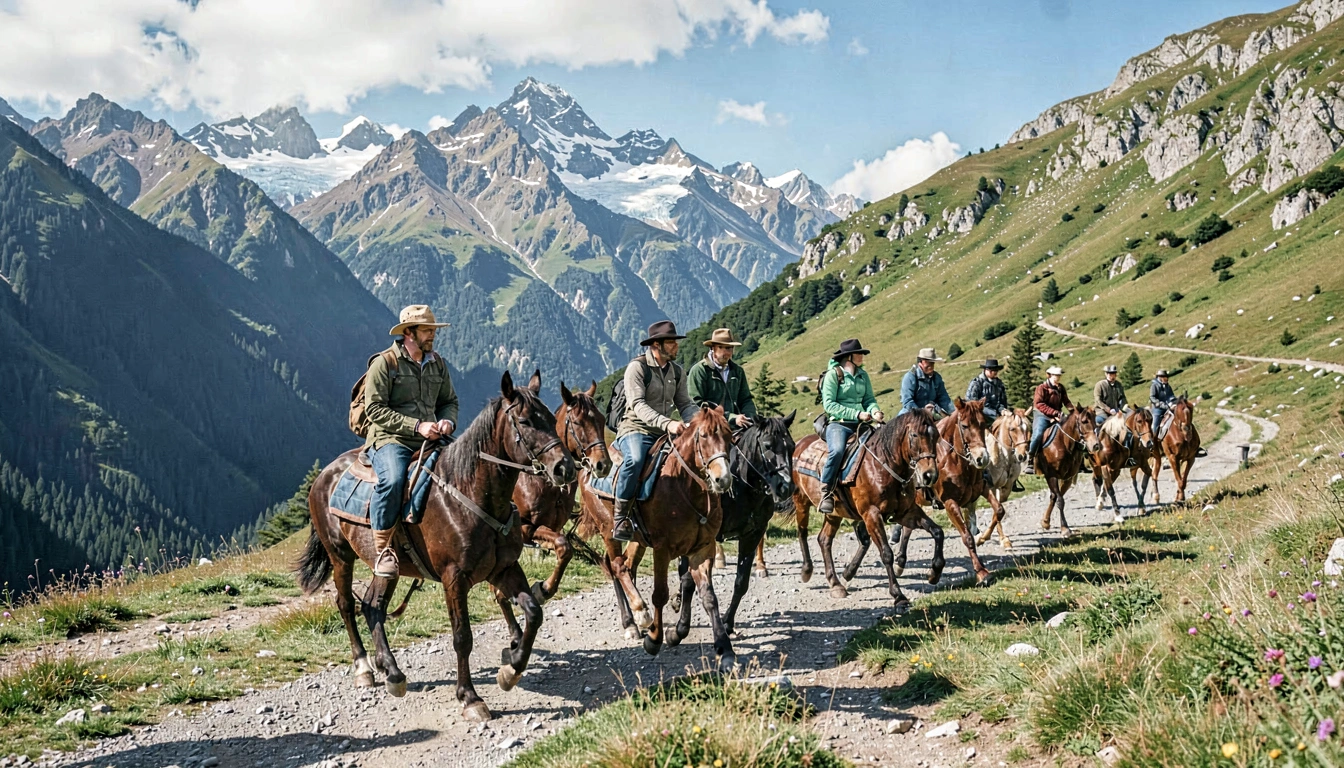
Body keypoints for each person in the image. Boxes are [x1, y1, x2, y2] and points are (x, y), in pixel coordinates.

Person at [365, 305, 458, 578]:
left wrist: (447, 422)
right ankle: (383, 551)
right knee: (393, 480)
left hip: (429, 438)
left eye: (433, 330)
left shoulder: (437, 363)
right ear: (409, 333)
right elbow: (375, 410)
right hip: (390, 439)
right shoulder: (385, 363)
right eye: (427, 330)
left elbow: (448, 402)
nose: (432, 335)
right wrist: (417, 426)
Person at [611, 321, 699, 542]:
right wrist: (668, 424)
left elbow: (685, 404)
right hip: (635, 429)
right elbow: (637, 404)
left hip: (663, 431)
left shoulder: (677, 371)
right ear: (656, 345)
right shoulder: (637, 368)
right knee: (635, 459)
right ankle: (620, 517)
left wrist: (699, 421)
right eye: (671, 342)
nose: (676, 346)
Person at [819, 339, 884, 513]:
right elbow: (829, 405)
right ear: (849, 356)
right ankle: (826, 491)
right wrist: (856, 414)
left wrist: (875, 411)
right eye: (859, 353)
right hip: (838, 424)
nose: (862, 356)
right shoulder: (833, 375)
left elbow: (869, 399)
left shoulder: (863, 375)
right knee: (838, 450)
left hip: (861, 423)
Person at [688, 328, 757, 430]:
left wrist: (749, 417)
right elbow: (697, 404)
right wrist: (732, 418)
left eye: (729, 348)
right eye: (723, 348)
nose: (727, 352)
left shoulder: (737, 371)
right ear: (713, 348)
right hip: (708, 428)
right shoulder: (699, 370)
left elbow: (745, 399)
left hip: (737, 427)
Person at [1024, 365, 1071, 474]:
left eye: (1059, 375)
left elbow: (1066, 401)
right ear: (1049, 375)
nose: (1057, 378)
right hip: (1042, 415)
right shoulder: (1041, 388)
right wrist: (1054, 413)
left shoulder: (1060, 388)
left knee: (1071, 431)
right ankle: (1030, 459)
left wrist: (1073, 411)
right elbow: (1039, 404)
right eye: (1055, 375)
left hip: (1057, 415)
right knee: (1038, 434)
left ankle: (1077, 461)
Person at [899, 348, 953, 416]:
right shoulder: (910, 377)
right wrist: (923, 412)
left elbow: (944, 399)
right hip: (911, 415)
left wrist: (954, 413)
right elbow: (907, 401)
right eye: (928, 362)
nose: (931, 365)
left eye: (932, 362)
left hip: (932, 414)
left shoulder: (937, 378)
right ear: (920, 361)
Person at [1149, 368, 1177, 433]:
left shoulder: (1168, 386)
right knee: (1156, 424)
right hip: (1158, 409)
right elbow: (1152, 397)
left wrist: (1174, 401)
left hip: (1168, 407)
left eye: (1167, 377)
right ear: (1160, 377)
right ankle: (1154, 439)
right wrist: (1160, 404)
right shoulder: (1154, 386)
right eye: (1165, 377)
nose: (1167, 378)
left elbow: (1171, 395)